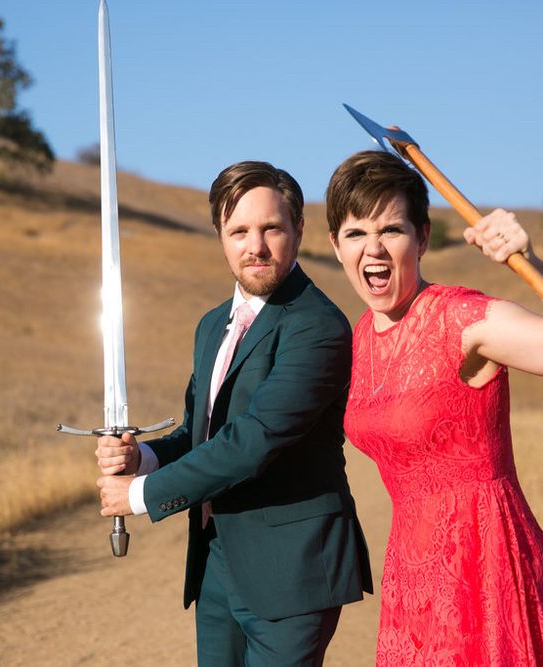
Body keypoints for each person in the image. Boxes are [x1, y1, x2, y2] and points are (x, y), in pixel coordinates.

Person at [325, 150, 543, 665]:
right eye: (356, 233)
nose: (373, 248)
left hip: (488, 569)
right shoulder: (355, 342)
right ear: (336, 246)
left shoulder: (462, 319)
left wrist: (533, 264)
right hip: (411, 577)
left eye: (392, 230)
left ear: (422, 238)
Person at [95, 161, 373, 667]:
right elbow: (199, 433)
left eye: (271, 228)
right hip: (217, 560)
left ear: (298, 230)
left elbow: (254, 439)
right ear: (220, 235)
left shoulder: (320, 327)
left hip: (292, 569)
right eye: (239, 230)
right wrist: (144, 458)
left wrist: (138, 496)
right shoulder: (210, 326)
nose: (256, 246)